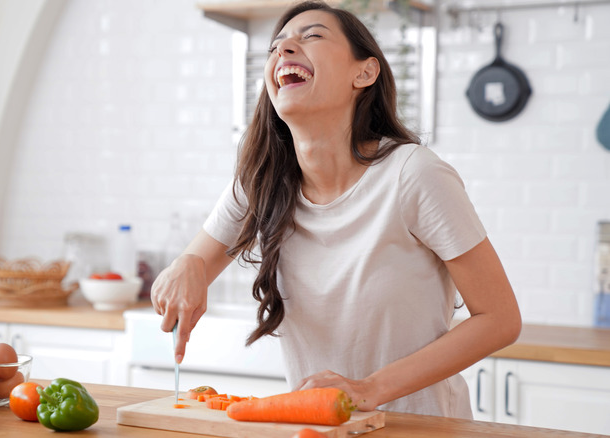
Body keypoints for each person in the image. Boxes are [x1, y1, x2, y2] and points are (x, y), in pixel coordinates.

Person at [151, 0, 521, 418]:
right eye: (275, 46)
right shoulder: (261, 181)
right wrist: (186, 266)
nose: (283, 49)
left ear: (364, 72)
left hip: (420, 426)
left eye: (310, 36)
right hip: (321, 426)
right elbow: (194, 263)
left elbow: (500, 318)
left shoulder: (413, 174)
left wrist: (369, 388)